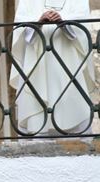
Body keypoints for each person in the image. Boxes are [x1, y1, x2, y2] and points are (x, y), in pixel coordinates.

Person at [10, 0, 96, 136]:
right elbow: (20, 27)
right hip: (37, 62)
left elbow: (83, 28)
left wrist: (64, 23)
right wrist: (38, 23)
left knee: (72, 106)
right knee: (36, 114)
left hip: (68, 61)